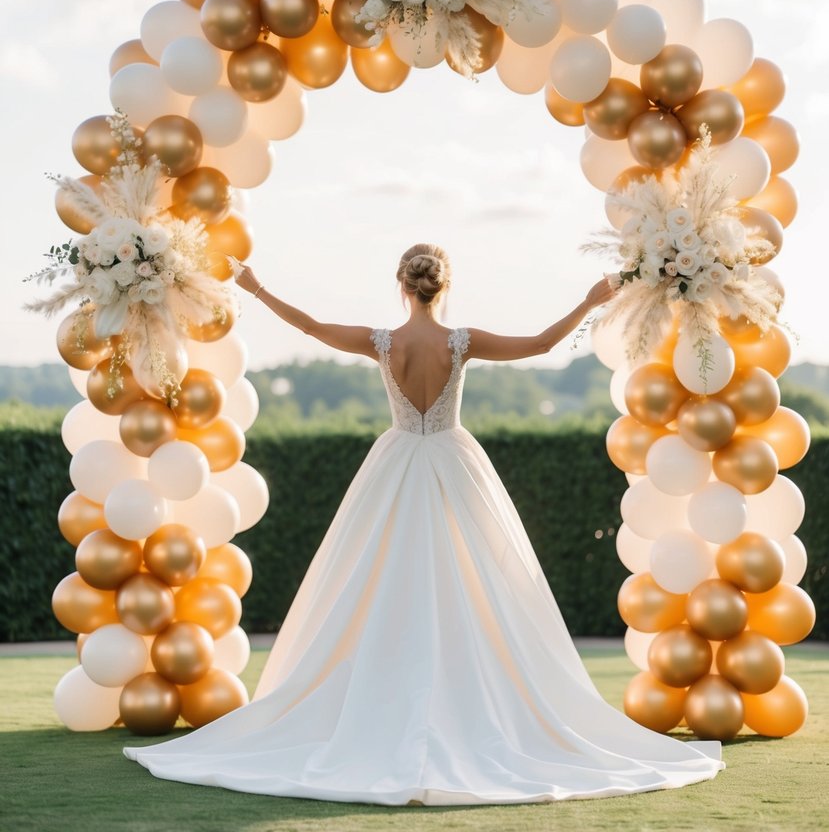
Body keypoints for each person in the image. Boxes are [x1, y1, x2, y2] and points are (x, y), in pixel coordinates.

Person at [124, 243, 725, 805]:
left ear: (402, 287)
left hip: (396, 463)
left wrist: (256, 288)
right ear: (444, 287)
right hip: (453, 462)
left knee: (378, 579)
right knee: (475, 581)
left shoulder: (384, 343)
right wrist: (593, 301)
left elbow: (309, 327)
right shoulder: (461, 342)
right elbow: (541, 345)